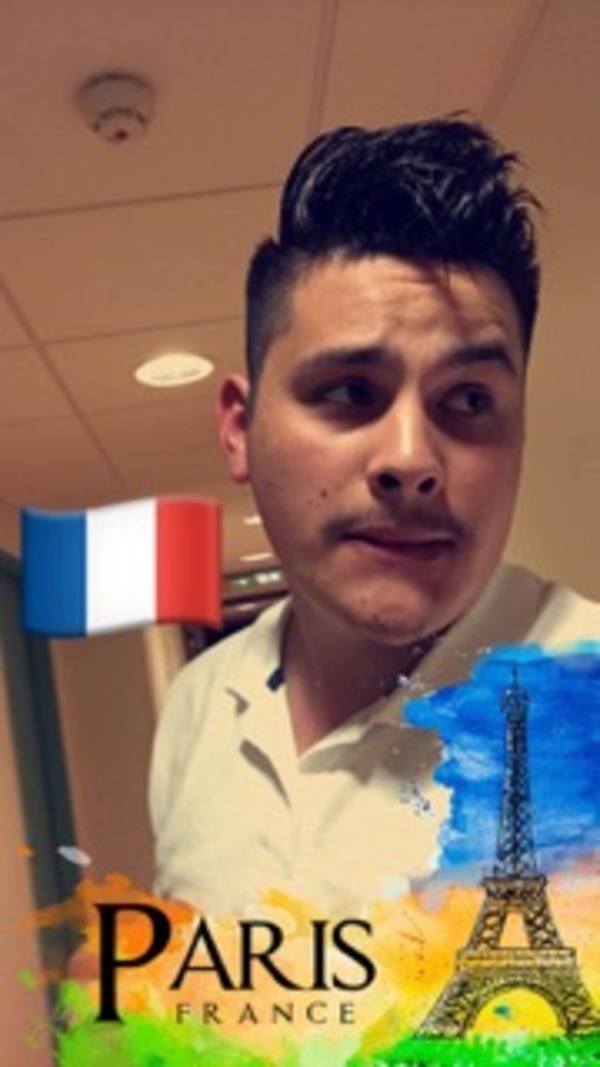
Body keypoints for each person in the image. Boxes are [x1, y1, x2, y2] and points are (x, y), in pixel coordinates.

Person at [150, 117, 598, 916]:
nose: (412, 458)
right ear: (240, 430)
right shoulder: (195, 704)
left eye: (469, 400)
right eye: (351, 391)